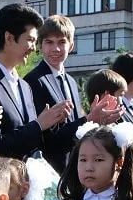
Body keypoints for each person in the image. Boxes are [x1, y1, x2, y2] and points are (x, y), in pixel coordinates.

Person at [0, 3, 70, 159]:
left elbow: (32, 137)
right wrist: (39, 124)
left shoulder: (24, 86)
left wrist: (51, 122)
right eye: (30, 40)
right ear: (9, 38)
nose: (33, 48)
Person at [26, 15, 122, 172]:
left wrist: (97, 121)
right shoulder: (33, 81)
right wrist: (89, 118)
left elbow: (76, 128)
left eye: (61, 42)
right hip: (50, 171)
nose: (55, 49)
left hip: (75, 169)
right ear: (40, 46)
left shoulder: (70, 81)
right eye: (49, 42)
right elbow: (46, 140)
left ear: (71, 46)